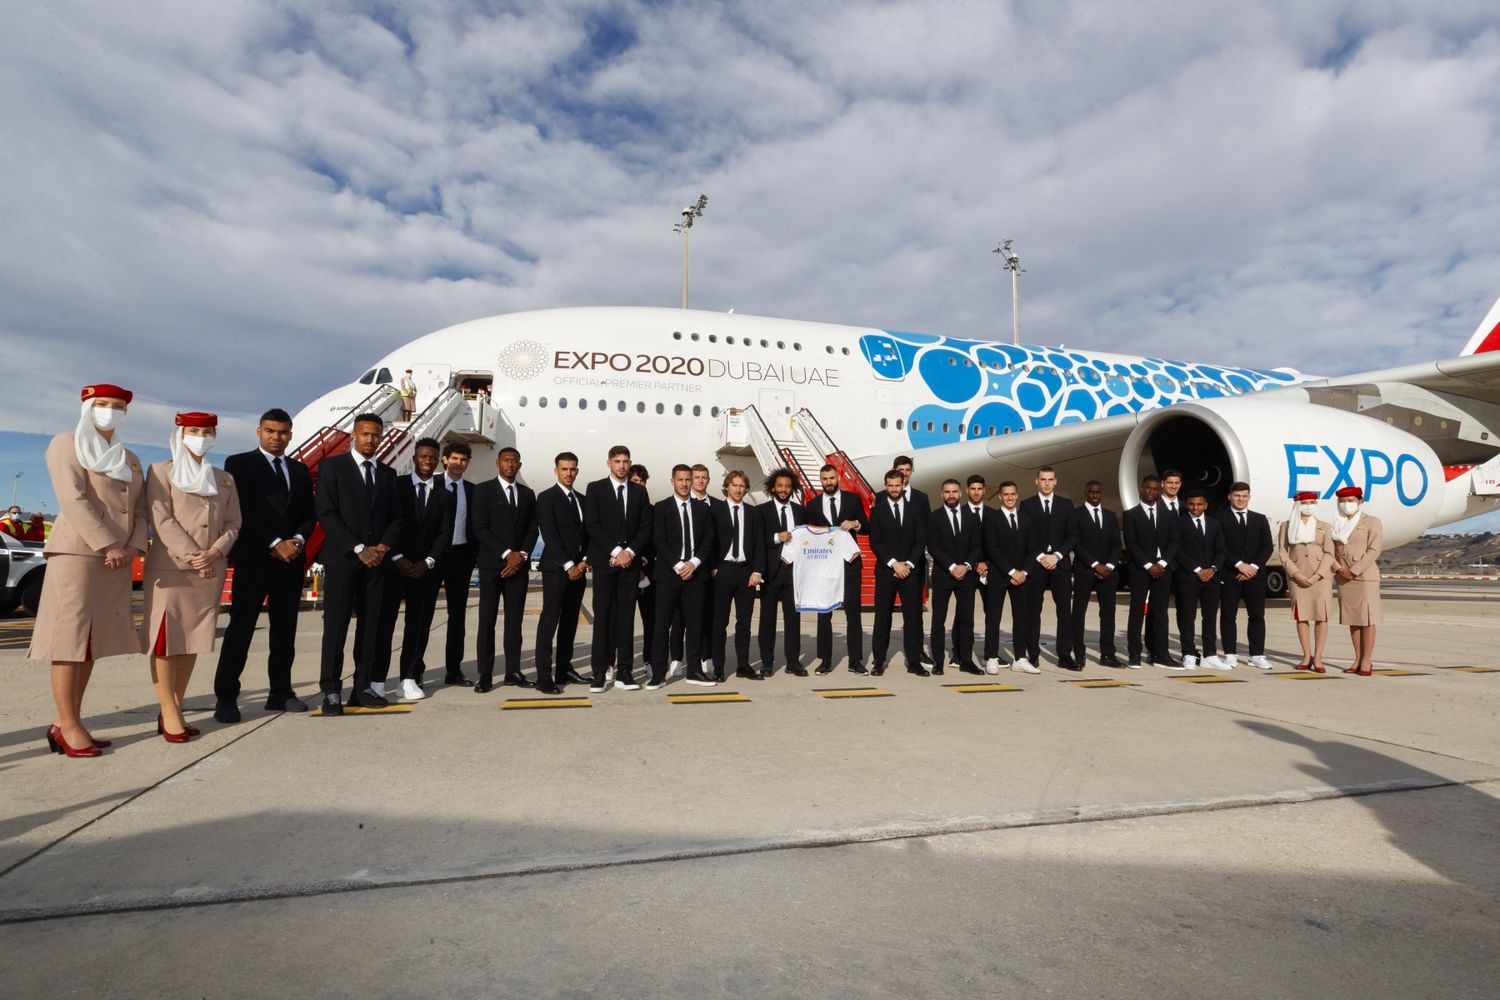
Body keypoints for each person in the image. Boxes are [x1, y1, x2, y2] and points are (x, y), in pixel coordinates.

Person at [30, 384, 148, 757]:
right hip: (81, 554)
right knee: (69, 639)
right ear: (86, 407)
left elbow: (141, 511)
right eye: (102, 404)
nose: (110, 411)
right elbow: (72, 498)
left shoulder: (128, 458)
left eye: (117, 406)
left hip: (117, 558)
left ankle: (69, 720)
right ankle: (67, 723)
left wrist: (132, 547)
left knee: (91, 643)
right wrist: (107, 544)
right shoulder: (67, 443)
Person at [140, 412, 242, 742]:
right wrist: (193, 555)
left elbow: (233, 524)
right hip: (172, 569)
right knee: (166, 643)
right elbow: (162, 519)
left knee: (191, 642)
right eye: (194, 430)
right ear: (181, 434)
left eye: (207, 431)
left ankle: (175, 706)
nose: (201, 436)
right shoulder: (160, 472)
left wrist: (214, 552)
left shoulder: (223, 478)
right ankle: (169, 711)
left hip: (209, 569)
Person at [215, 408, 315, 722]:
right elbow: (243, 510)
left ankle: (281, 692)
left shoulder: (299, 470)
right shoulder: (239, 464)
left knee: (285, 632)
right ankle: (227, 697)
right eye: (270, 431)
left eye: (283, 432)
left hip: (290, 562)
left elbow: (309, 513)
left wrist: (297, 539)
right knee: (241, 629)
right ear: (259, 431)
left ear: (290, 434)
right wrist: (275, 542)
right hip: (255, 559)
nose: (277, 437)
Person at [315, 412, 403, 713]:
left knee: (371, 627)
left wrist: (382, 546)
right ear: (354, 435)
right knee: (336, 628)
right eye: (365, 434)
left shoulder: (388, 475)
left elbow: (396, 517)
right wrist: (357, 547)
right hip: (342, 560)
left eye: (376, 435)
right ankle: (330, 690)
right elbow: (327, 513)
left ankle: (362, 687)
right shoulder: (332, 467)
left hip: (376, 562)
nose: (370, 439)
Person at [584, 447, 652, 692]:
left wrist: (630, 552)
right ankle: (599, 673)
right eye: (617, 461)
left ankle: (625, 672)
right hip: (605, 564)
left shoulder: (639, 492)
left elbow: (645, 527)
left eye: (625, 462)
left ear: (630, 463)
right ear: (609, 463)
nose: (622, 466)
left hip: (630, 566)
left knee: (626, 620)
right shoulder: (595, 489)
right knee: (602, 620)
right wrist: (615, 552)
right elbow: (592, 524)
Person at [391, 437, 454, 700]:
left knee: (418, 626)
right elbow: (388, 523)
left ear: (438, 460)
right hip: (394, 566)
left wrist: (428, 562)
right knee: (383, 624)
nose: (427, 462)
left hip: (425, 569)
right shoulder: (397, 486)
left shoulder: (445, 494)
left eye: (432, 458)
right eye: (422, 456)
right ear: (415, 457)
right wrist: (397, 557)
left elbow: (444, 533)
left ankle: (409, 676)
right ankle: (375, 678)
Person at [473, 446, 537, 692]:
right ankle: (485, 674)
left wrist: (520, 555)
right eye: (506, 461)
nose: (510, 465)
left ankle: (513, 671)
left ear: (519, 465)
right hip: (492, 567)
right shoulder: (483, 491)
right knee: (486, 622)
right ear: (498, 463)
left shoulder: (528, 494)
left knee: (514, 623)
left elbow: (533, 529)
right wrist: (506, 554)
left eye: (514, 461)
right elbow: (480, 528)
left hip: (518, 568)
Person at [648, 464, 716, 689]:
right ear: (672, 481)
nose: (685, 484)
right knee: (662, 626)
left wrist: (694, 563)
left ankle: (694, 671)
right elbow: (659, 540)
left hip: (695, 576)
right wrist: (679, 565)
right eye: (681, 480)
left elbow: (709, 539)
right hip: (669, 576)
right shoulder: (661, 508)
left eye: (688, 479)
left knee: (695, 625)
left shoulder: (702, 509)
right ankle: (658, 673)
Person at [534, 451, 591, 694]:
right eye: (564, 469)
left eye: (573, 469)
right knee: (550, 621)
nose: (569, 473)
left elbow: (588, 534)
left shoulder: (583, 499)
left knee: (569, 622)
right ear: (556, 470)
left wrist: (583, 562)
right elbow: (550, 534)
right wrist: (569, 565)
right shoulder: (546, 498)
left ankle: (564, 668)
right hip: (557, 569)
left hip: (579, 569)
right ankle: (544, 676)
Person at [806, 463, 866, 674]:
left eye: (831, 478)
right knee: (824, 614)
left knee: (854, 614)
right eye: (824, 479)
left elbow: (866, 525)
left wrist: (855, 523)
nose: (828, 482)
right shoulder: (812, 505)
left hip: (849, 564)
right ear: (820, 481)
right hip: (824, 567)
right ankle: (825, 660)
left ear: (838, 478)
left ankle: (856, 661)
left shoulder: (853, 499)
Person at [869, 469, 926, 676]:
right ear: (885, 486)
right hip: (887, 572)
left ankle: (913, 662)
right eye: (890, 485)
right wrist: (894, 564)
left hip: (910, 572)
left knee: (912, 619)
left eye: (897, 485)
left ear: (903, 484)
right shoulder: (878, 510)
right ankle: (879, 661)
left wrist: (908, 564)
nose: (894, 489)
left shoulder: (915, 509)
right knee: (882, 618)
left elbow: (921, 540)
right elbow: (875, 542)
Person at [710, 470, 765, 681]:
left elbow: (759, 544)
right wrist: (714, 567)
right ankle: (718, 667)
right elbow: (710, 541)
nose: (738, 489)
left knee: (744, 623)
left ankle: (743, 665)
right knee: (719, 623)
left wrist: (757, 571)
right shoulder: (716, 510)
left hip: (746, 573)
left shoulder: (753, 513)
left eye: (742, 486)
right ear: (726, 486)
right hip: (723, 571)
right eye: (734, 485)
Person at [1020, 467, 1077, 669]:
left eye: (1050, 479)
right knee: (1033, 612)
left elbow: (1072, 535)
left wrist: (1057, 556)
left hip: (1060, 565)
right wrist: (1042, 556)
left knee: (1064, 612)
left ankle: (1064, 656)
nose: (1046, 483)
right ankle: (1032, 654)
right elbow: (1025, 536)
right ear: (1036, 481)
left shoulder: (1066, 505)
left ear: (1055, 481)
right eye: (1043, 479)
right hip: (1036, 566)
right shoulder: (1027, 505)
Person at [1216, 481, 1274, 670]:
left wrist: (1253, 567)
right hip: (1230, 574)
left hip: (1255, 576)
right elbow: (1220, 547)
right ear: (1229, 497)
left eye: (1244, 496)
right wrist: (1240, 565)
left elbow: (1267, 546)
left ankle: (1256, 655)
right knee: (1228, 615)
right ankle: (1230, 655)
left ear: (1249, 497)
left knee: (1257, 615)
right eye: (1237, 496)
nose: (1240, 499)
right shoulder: (1219, 519)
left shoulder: (1259, 518)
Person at [926, 479, 980, 676]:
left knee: (967, 620)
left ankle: (966, 660)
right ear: (942, 494)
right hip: (943, 575)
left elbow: (977, 546)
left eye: (954, 492)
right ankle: (938, 661)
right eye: (947, 492)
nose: (951, 495)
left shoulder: (972, 517)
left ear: (960, 494)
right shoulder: (934, 517)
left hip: (966, 576)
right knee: (938, 620)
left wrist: (965, 566)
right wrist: (951, 566)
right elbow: (933, 546)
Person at [1123, 475, 1179, 668]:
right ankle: (1134, 654)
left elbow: (1174, 542)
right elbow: (1131, 543)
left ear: (1159, 490)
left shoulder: (1170, 515)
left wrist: (1162, 563)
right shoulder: (1131, 514)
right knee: (1137, 612)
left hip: (1163, 569)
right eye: (1148, 488)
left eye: (1155, 489)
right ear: (1142, 488)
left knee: (1160, 613)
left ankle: (1160, 654)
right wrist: (1148, 565)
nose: (1151, 492)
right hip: (1140, 569)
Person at [981, 481, 1035, 673]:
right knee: (993, 618)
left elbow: (1032, 548)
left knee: (1021, 618)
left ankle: (1020, 658)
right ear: (1000, 496)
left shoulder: (1026, 519)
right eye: (1006, 494)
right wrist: (1012, 572)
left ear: (1017, 495)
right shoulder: (991, 518)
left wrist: (1024, 572)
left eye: (1013, 494)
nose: (1010, 497)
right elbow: (992, 549)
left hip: (1021, 577)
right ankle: (992, 657)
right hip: (999, 576)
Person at [757, 468, 806, 676]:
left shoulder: (800, 510)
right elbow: (757, 541)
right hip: (771, 572)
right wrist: (777, 537)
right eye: (780, 486)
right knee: (767, 619)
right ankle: (767, 662)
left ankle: (793, 661)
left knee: (793, 619)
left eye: (787, 486)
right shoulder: (761, 511)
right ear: (773, 488)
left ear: (792, 488)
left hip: (794, 573)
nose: (783, 490)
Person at [1279, 490, 1335, 673]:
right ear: (1297, 504)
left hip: (1321, 577)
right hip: (1297, 577)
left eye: (1312, 502)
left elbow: (1329, 553)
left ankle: (1318, 657)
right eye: (1305, 503)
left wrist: (1318, 574)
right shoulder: (1287, 526)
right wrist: (1295, 573)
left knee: (1321, 616)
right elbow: (1283, 552)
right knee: (1301, 616)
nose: (1309, 506)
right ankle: (1306, 655)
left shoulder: (1324, 526)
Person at [436, 441, 476, 686]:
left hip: (461, 557)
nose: (458, 464)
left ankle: (453, 670)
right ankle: (413, 671)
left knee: (457, 617)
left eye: (463, 460)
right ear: (445, 459)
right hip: (433, 558)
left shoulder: (473, 491)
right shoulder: (433, 484)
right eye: (454, 459)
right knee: (422, 616)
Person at [1332, 486, 1382, 676]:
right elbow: (1332, 551)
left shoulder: (1371, 522)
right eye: (1343, 501)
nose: (1347, 504)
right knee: (1353, 619)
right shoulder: (1337, 523)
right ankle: (1357, 658)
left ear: (1360, 502)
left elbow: (1374, 550)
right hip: (1344, 577)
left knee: (1367, 619)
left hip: (1364, 576)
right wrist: (1339, 569)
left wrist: (1353, 571)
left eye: (1351, 500)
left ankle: (1367, 660)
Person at [1069, 480, 1120, 667]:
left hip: (1108, 572)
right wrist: (1095, 564)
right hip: (1085, 570)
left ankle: (1107, 654)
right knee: (1079, 613)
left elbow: (1116, 544)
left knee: (1108, 613)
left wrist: (1109, 566)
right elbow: (1076, 542)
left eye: (1098, 492)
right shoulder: (1076, 515)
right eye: (1092, 492)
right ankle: (1079, 653)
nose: (1095, 496)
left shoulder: (1110, 515)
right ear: (1086, 493)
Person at [1173, 489, 1225, 669]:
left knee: (1210, 617)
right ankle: (1188, 653)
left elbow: (1221, 550)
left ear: (1205, 505)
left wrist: (1212, 569)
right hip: (1188, 577)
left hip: (1211, 578)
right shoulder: (1178, 523)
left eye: (1199, 504)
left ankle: (1210, 654)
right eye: (1192, 504)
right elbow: (1177, 550)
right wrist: (1196, 569)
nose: (1195, 508)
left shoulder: (1214, 523)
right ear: (1187, 505)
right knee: (1187, 617)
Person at [628, 464, 656, 680]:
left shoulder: (652, 510)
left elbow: (654, 543)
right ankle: (615, 663)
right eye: (635, 481)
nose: (639, 486)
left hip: (647, 575)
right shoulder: (620, 509)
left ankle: (649, 660)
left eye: (642, 482)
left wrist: (642, 565)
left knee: (651, 623)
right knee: (620, 623)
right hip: (625, 572)